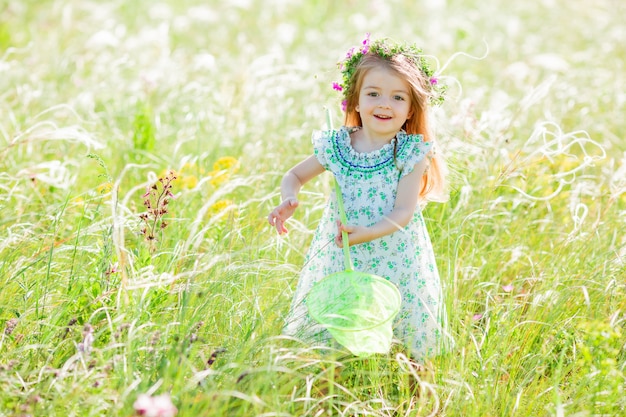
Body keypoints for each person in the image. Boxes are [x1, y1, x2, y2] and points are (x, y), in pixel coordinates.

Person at [268, 34, 450, 361]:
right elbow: (294, 175)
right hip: (343, 253)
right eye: (373, 94)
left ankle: (415, 394)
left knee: (402, 330)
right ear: (354, 100)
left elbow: (405, 210)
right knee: (334, 330)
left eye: (397, 97)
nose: (384, 104)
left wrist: (367, 234)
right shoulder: (338, 145)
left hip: (395, 254)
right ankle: (329, 386)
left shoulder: (409, 151)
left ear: (410, 110)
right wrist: (288, 198)